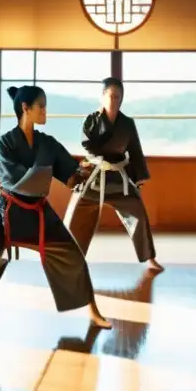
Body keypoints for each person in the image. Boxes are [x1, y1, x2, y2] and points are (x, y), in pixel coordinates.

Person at [0, 85, 112, 335]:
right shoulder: (4, 143)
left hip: (39, 213)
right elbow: (16, 180)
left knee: (74, 257)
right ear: (26, 108)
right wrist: (44, 171)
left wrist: (84, 172)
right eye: (41, 106)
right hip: (7, 211)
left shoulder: (47, 143)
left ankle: (93, 312)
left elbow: (69, 176)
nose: (46, 111)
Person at [63, 77, 163, 272]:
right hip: (95, 177)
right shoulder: (91, 120)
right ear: (102, 97)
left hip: (118, 177)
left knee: (138, 212)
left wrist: (139, 175)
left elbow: (135, 149)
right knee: (75, 211)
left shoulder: (127, 123)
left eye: (119, 96)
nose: (115, 100)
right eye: (111, 95)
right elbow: (87, 146)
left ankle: (149, 258)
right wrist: (103, 156)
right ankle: (69, 258)